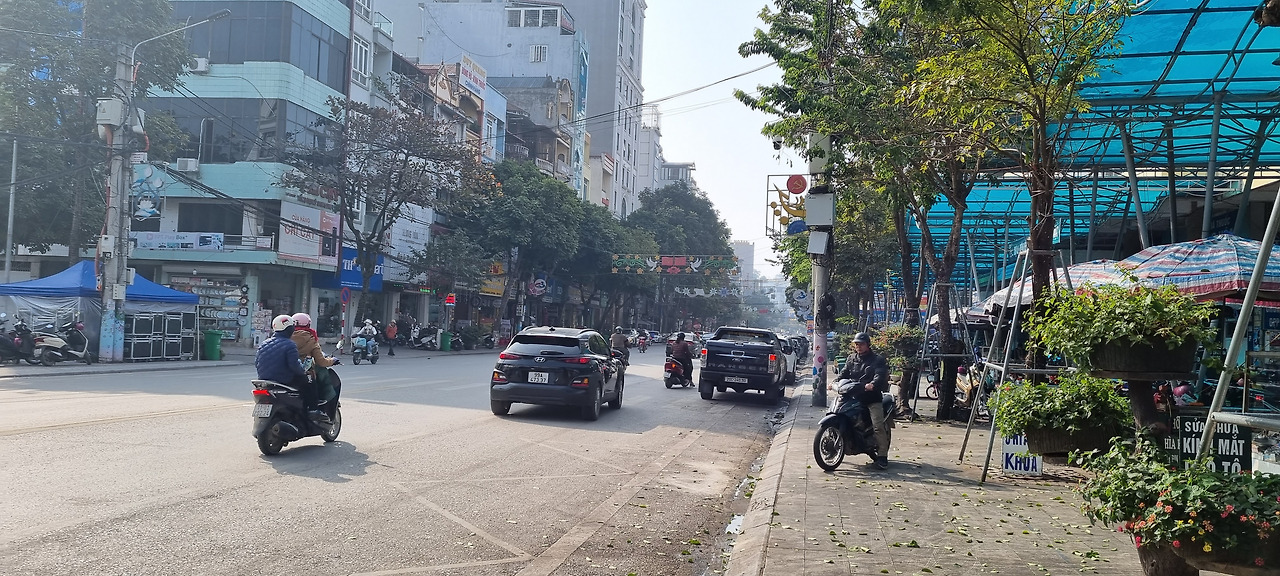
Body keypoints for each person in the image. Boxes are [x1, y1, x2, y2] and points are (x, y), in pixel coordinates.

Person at [256, 315, 329, 424]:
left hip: (264, 379)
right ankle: (313, 410)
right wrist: (303, 372)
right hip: (283, 379)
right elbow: (295, 367)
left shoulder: (264, 343)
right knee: (310, 381)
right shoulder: (291, 344)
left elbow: (257, 363)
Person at [837, 332, 890, 469]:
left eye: (861, 344)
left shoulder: (877, 359)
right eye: (856, 344)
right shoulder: (851, 358)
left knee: (878, 426)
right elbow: (844, 373)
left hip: (871, 398)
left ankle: (882, 456)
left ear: (868, 345)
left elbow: (879, 374)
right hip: (852, 395)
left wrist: (872, 384)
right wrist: (835, 382)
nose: (858, 346)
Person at [290, 313, 338, 399]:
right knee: (323, 373)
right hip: (304, 372)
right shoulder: (311, 339)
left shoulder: (285, 337)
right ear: (308, 325)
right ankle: (328, 399)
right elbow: (321, 362)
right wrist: (332, 360)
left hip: (285, 370)